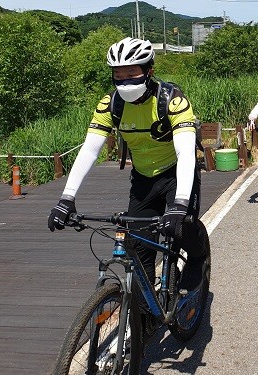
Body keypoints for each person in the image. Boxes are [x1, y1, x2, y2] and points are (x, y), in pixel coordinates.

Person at [48, 37, 208, 338]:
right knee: (141, 251)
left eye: (131, 72)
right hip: (143, 179)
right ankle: (145, 322)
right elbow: (89, 150)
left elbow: (186, 153)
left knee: (183, 224)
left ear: (148, 70)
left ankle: (198, 257)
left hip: (177, 174)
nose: (125, 79)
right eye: (118, 74)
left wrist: (179, 205)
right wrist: (65, 199)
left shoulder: (172, 100)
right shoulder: (111, 104)